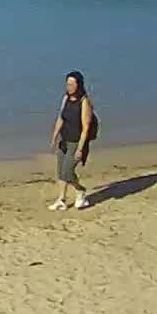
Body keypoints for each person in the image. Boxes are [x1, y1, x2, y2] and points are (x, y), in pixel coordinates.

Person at [48, 70, 97, 210]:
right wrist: (54, 137)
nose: (68, 87)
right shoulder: (66, 98)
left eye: (71, 84)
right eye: (67, 84)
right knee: (60, 172)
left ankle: (80, 190)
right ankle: (61, 200)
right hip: (64, 141)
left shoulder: (84, 102)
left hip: (76, 143)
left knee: (67, 172)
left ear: (78, 85)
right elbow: (61, 118)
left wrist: (80, 149)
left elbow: (86, 128)